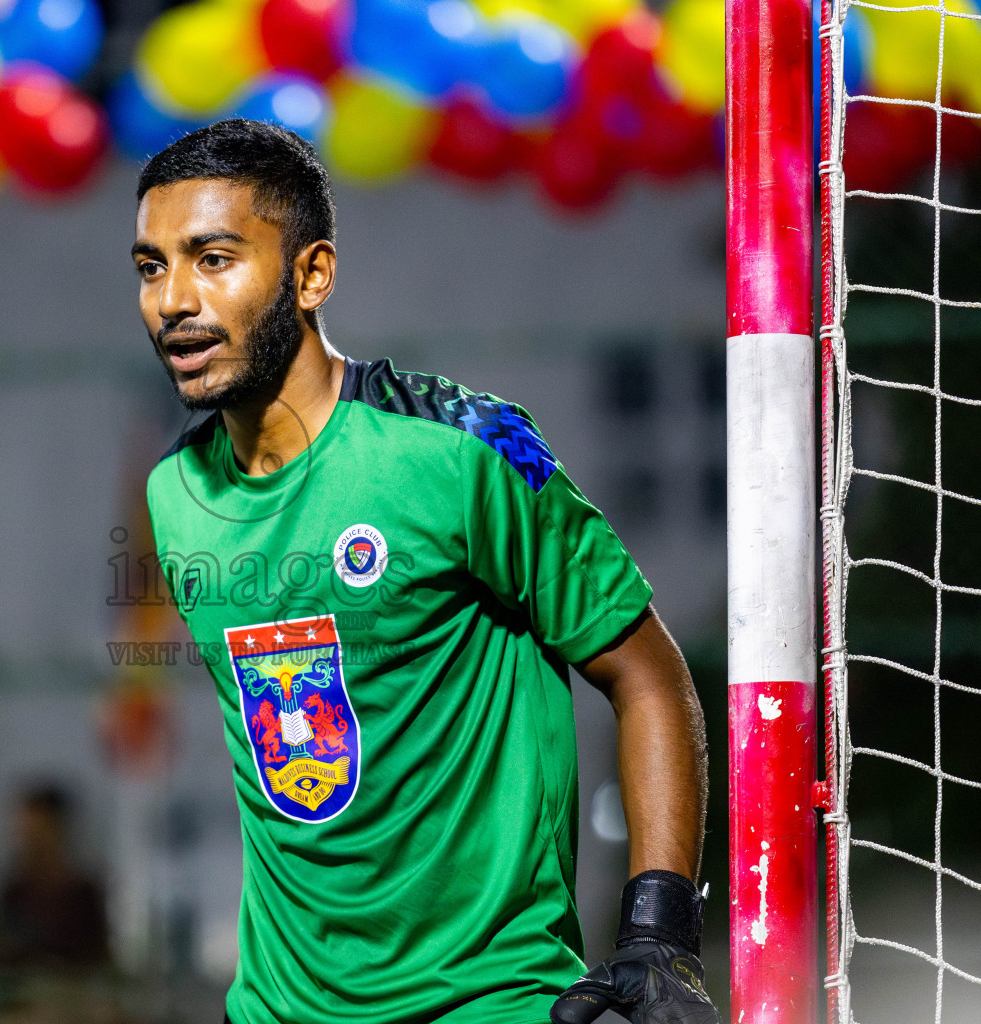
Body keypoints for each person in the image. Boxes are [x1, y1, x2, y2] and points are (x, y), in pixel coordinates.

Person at [134, 120, 720, 1024]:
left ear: (311, 274)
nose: (173, 298)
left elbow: (646, 675)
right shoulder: (174, 495)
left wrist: (659, 934)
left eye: (212, 259)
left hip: (487, 1003)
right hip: (275, 1009)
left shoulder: (459, 450)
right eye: (150, 267)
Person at [0, 786, 108, 972]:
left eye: (40, 830)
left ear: (58, 830)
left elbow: (97, 957)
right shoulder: (13, 893)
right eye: (27, 831)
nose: (31, 839)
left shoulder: (83, 894)